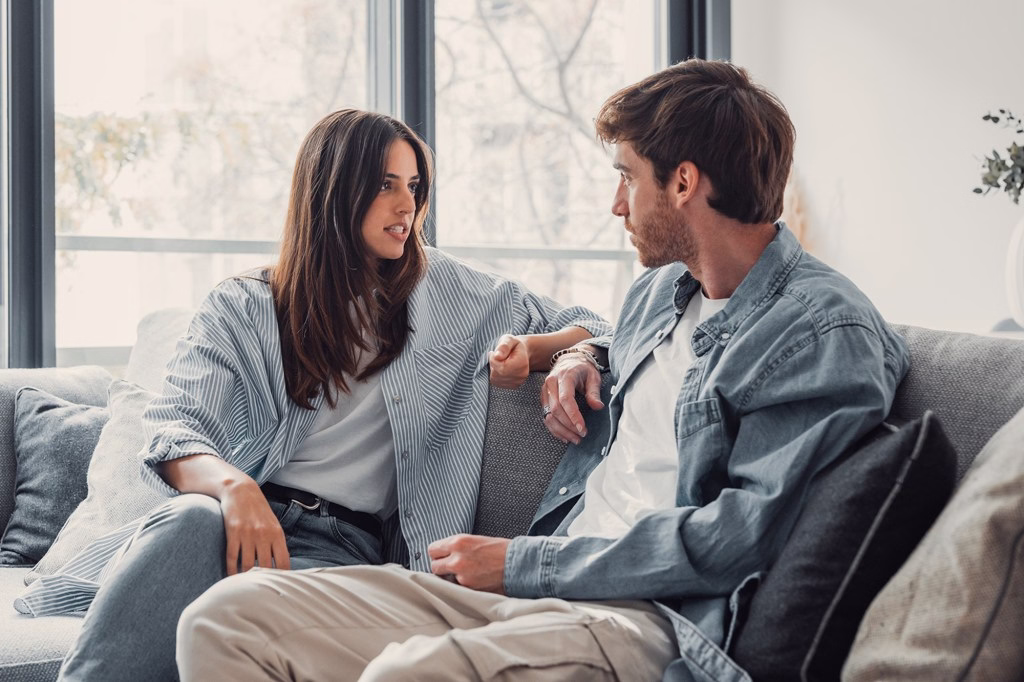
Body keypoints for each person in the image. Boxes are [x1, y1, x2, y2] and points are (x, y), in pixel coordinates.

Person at [175, 60, 910, 681]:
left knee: (405, 675)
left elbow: (736, 538)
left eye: (627, 177)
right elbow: (609, 340)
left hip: (643, 621)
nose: (614, 202)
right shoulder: (663, 292)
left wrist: (526, 565)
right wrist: (580, 352)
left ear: (683, 182)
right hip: (537, 598)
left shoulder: (821, 330)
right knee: (223, 619)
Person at [23, 110, 609, 681]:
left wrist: (547, 352)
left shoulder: (455, 294)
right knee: (189, 523)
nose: (407, 205)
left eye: (414, 186)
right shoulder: (246, 304)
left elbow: (597, 323)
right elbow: (175, 425)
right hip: (230, 522)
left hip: (342, 547)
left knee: (239, 621)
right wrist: (235, 488)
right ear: (333, 191)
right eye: (384, 186)